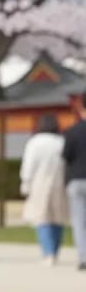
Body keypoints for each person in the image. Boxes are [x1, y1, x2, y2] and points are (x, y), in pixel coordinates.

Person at [20, 113, 68, 264]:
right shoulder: (61, 141)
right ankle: (55, 249)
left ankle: (48, 253)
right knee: (58, 217)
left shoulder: (35, 142)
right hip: (60, 182)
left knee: (42, 218)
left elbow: (29, 165)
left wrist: (25, 182)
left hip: (39, 183)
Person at [63, 98, 86, 270]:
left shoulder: (72, 132)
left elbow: (66, 156)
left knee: (79, 220)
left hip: (77, 179)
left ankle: (83, 256)